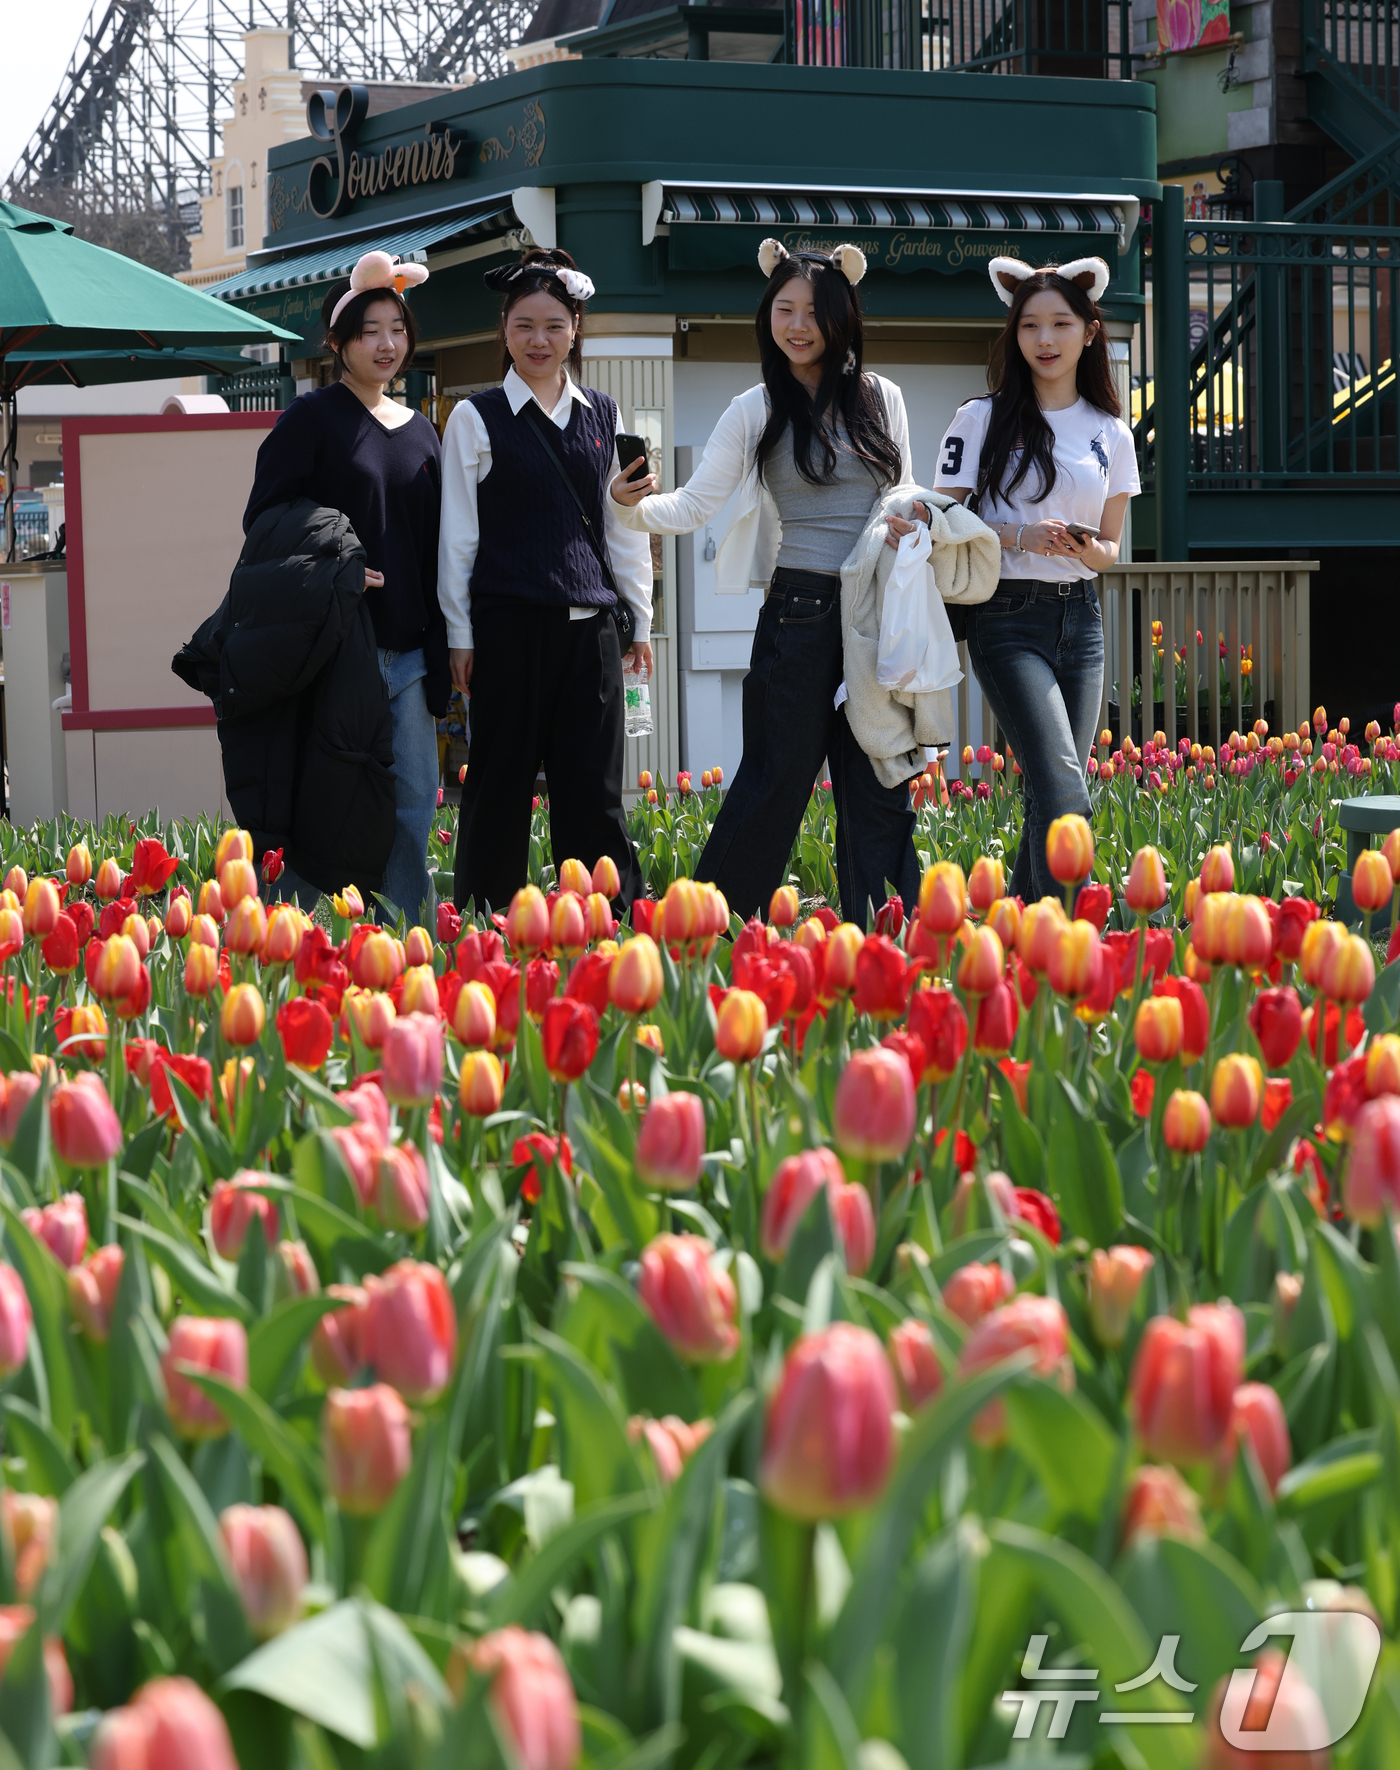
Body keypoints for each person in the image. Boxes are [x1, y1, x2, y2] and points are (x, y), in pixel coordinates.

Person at [611, 238, 918, 925]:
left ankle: (890, 944)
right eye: (784, 309)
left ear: (843, 316)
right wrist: (626, 508)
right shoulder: (755, 407)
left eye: (813, 311)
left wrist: (910, 522)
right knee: (774, 785)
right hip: (801, 612)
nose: (798, 325)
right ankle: (701, 932)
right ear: (767, 315)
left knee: (878, 785)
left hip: (875, 614)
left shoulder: (883, 398)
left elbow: (903, 495)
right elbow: (692, 506)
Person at [438, 246, 653, 913]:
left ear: (576, 330)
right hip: (507, 632)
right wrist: (460, 635)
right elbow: (458, 537)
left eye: (555, 325)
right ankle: (484, 928)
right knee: (498, 787)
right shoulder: (476, 418)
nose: (540, 339)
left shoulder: (605, 415)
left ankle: (603, 925)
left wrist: (640, 620)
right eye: (525, 324)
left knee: (594, 792)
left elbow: (625, 525)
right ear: (503, 330)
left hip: (590, 636)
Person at [243, 250, 445, 919]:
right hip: (337, 651)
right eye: (369, 331)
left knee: (415, 802)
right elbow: (265, 520)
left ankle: (409, 943)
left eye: (398, 327)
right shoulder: (310, 419)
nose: (388, 344)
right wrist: (340, 566)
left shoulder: (421, 432)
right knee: (324, 804)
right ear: (337, 343)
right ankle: (298, 945)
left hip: (411, 649)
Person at [933, 255, 1139, 903]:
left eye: (1059, 324)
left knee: (1048, 798)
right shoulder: (980, 418)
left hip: (1082, 619)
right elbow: (942, 518)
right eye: (1028, 326)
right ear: (1014, 334)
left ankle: (1022, 940)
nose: (1044, 340)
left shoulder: (1112, 432)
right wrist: (1021, 535)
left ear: (1089, 330)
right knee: (1065, 791)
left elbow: (1111, 549)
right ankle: (1076, 937)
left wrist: (1087, 548)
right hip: (1006, 616)